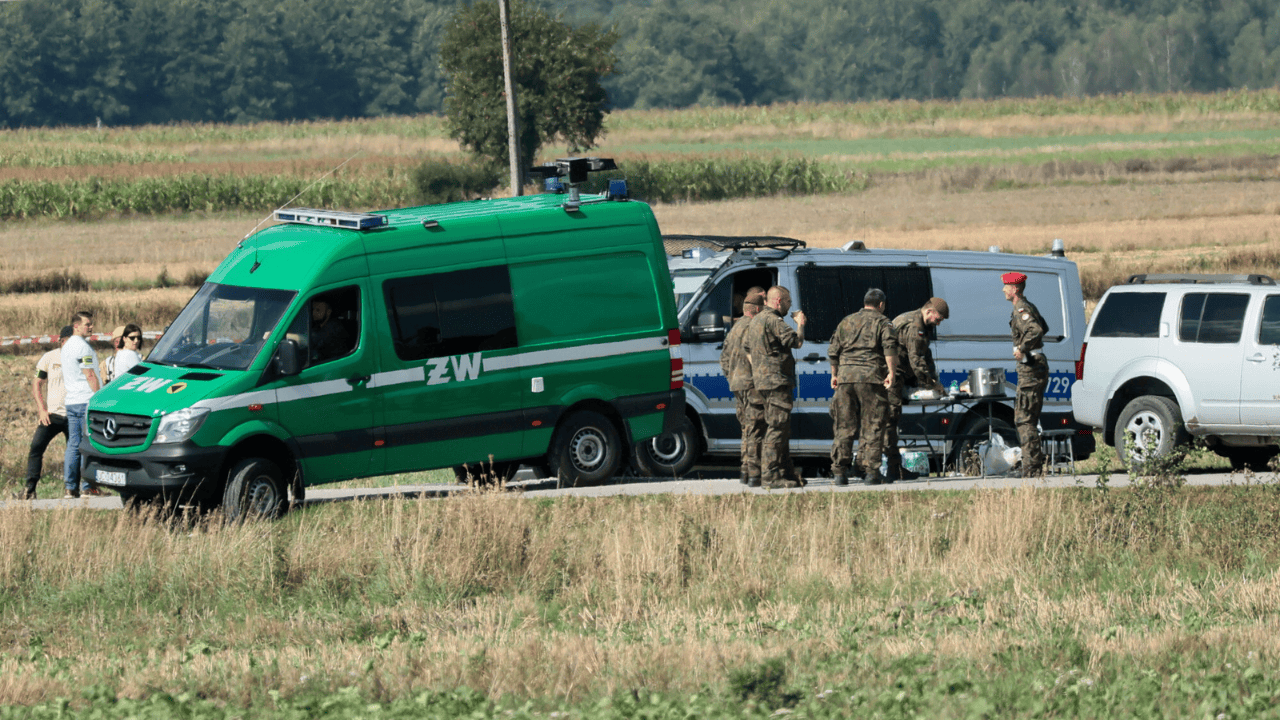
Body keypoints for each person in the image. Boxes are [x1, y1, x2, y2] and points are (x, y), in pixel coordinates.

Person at [828, 288, 899, 486]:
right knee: (873, 425)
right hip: (871, 378)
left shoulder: (846, 321)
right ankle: (870, 472)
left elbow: (833, 351)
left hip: (845, 378)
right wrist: (891, 373)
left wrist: (834, 375)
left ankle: (840, 473)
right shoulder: (884, 322)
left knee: (844, 425)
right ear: (881, 305)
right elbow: (889, 349)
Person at [744, 286, 806, 489]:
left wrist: (760, 368)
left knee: (780, 427)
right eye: (788, 301)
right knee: (777, 427)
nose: (790, 305)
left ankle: (785, 471)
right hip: (776, 381)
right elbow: (795, 342)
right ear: (778, 301)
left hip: (762, 381)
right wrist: (800, 324)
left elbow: (747, 347)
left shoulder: (756, 321)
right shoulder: (773, 320)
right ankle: (770, 476)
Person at [884, 297, 949, 481]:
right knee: (890, 420)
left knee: (889, 421)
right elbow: (917, 362)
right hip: (893, 375)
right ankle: (891, 469)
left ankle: (891, 466)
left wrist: (935, 379)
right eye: (938, 318)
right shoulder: (915, 327)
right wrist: (933, 385)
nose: (939, 323)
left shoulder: (922, 325)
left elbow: (925, 355)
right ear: (929, 312)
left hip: (900, 375)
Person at [1003, 271, 1049, 477]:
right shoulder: (1028, 306)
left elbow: (1037, 330)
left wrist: (1022, 347)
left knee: (1024, 419)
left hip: (1030, 366)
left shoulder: (1020, 308)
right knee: (1029, 417)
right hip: (1033, 365)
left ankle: (1031, 468)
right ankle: (1032, 464)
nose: (1003, 290)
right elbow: (1044, 327)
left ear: (1014, 290)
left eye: (1006, 286)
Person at [720, 289, 766, 486]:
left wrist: (733, 377)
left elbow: (723, 359)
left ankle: (745, 469)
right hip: (753, 384)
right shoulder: (755, 327)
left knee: (747, 429)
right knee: (756, 429)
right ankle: (755, 474)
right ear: (757, 309)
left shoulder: (735, 329)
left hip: (737, 385)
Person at [24, 325, 74, 499]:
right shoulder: (50, 357)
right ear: (62, 341)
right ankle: (29, 490)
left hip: (74, 414)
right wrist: (42, 409)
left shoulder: (82, 357)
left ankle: (73, 489)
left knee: (75, 452)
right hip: (52, 415)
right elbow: (37, 383)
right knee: (36, 448)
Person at [61, 311, 102, 498]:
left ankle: (70, 487)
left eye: (91, 324)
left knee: (73, 444)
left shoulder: (67, 346)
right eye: (87, 324)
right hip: (86, 400)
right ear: (76, 326)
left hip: (71, 401)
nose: (91, 327)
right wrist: (99, 396)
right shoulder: (83, 348)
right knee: (88, 444)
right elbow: (90, 375)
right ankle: (88, 486)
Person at [309, 298, 351, 363]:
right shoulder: (317, 326)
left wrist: (298, 338)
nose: (313, 313)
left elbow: (316, 339)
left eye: (318, 310)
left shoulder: (334, 327)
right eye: (312, 309)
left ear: (328, 312)